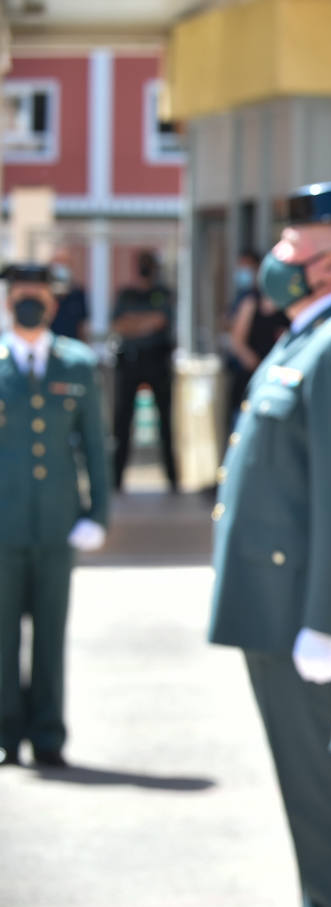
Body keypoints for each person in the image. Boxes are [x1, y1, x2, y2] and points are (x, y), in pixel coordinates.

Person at [207, 181, 331, 907]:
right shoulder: (308, 332)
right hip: (275, 608)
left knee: (324, 799)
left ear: (327, 266)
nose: (274, 260)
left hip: (299, 619)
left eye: (290, 246)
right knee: (306, 792)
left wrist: (325, 620)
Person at [0, 263, 109, 768]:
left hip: (56, 523)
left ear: (52, 302)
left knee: (50, 632)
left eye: (38, 295)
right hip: (4, 525)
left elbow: (94, 445)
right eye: (21, 294)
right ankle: (5, 735)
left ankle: (48, 733)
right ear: (7, 300)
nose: (29, 302)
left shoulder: (76, 363)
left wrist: (97, 513)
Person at [111, 249, 178, 492]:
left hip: (157, 361)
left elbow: (162, 320)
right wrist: (146, 323)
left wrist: (135, 322)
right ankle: (116, 480)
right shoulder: (126, 294)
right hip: (130, 362)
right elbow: (120, 325)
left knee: (166, 424)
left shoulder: (163, 294)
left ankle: (173, 479)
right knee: (121, 424)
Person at [223, 248, 289, 437]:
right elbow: (237, 341)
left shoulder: (287, 303)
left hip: (278, 381)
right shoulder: (249, 301)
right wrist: (259, 369)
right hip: (250, 379)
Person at [48, 247, 90, 343]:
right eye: (58, 261)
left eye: (65, 262)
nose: (61, 266)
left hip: (72, 345)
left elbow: (81, 326)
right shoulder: (46, 293)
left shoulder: (78, 293)